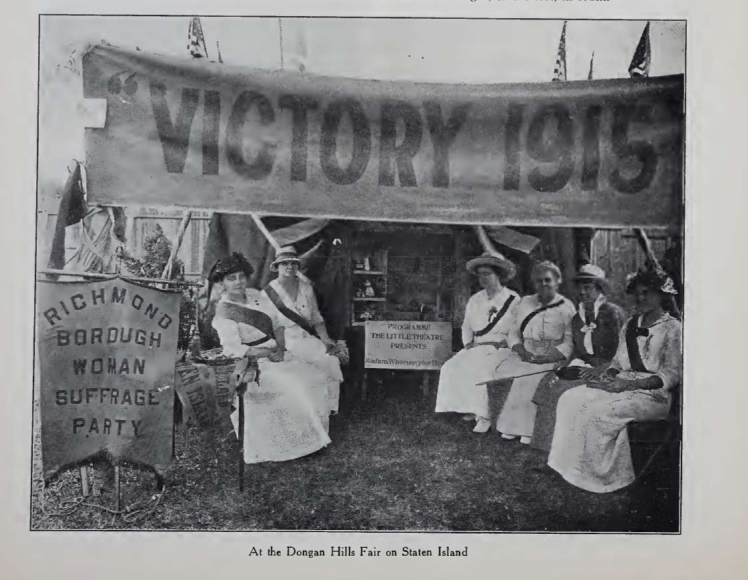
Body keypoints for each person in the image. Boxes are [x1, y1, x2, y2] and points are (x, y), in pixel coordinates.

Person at [547, 269, 682, 493]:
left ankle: (603, 477)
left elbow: (672, 375)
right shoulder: (630, 324)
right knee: (569, 398)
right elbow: (617, 363)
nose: (641, 298)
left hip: (653, 396)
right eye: (637, 293)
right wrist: (607, 377)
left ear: (661, 296)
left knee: (596, 411)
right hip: (621, 384)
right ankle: (569, 468)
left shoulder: (673, 328)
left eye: (647, 293)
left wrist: (628, 385)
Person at [210, 252, 331, 464]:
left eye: (241, 276)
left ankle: (308, 439)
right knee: (295, 386)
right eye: (231, 278)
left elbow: (277, 324)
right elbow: (234, 350)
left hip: (277, 353)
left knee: (316, 379)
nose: (238, 282)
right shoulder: (224, 312)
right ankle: (287, 446)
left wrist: (281, 349)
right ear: (222, 283)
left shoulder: (257, 295)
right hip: (252, 364)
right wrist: (267, 353)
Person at [530, 264, 624, 453]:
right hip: (583, 366)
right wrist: (559, 369)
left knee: (562, 391)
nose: (582, 292)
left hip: (608, 370)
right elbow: (575, 351)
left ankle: (563, 449)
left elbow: (622, 354)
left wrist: (599, 369)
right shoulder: (577, 318)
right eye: (580, 287)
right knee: (547, 384)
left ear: (599, 289)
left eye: (588, 287)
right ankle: (545, 447)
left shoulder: (612, 313)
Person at [435, 251, 520, 433]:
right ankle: (468, 407)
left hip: (501, 347)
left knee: (481, 368)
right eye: (480, 274)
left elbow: (516, 329)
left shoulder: (513, 299)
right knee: (451, 366)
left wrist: (505, 343)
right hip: (478, 345)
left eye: (487, 274)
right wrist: (468, 344)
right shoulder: (475, 299)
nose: (483, 278)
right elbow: (467, 325)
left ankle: (484, 416)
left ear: (499, 275)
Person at [495, 261, 576, 444]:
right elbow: (513, 332)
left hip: (551, 355)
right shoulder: (524, 303)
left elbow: (569, 341)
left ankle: (528, 430)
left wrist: (549, 357)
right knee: (516, 373)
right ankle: (511, 426)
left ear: (558, 281)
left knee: (531, 378)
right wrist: (521, 350)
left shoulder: (567, 307)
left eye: (548, 280)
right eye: (539, 281)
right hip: (526, 352)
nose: (543, 284)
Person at [263, 246, 345, 420]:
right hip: (283, 339)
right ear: (277, 266)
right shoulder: (268, 292)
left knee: (329, 360)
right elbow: (267, 324)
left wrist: (325, 339)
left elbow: (315, 317)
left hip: (306, 337)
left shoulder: (306, 287)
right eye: (284, 263)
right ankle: (299, 414)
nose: (289, 267)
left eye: (293, 263)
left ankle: (325, 411)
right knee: (299, 368)